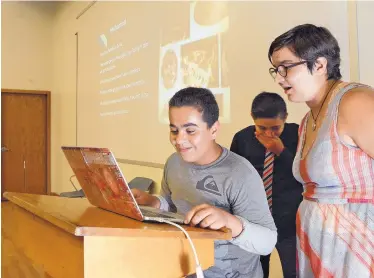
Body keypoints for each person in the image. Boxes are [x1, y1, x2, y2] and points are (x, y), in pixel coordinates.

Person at [132, 87, 277, 277]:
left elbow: (267, 242)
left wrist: (229, 222)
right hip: (186, 267)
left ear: (214, 129)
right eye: (174, 130)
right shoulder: (174, 162)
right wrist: (154, 202)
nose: (179, 140)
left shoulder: (240, 173)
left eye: (190, 131)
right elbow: (174, 204)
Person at [268, 23, 374, 278]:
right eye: (275, 70)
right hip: (319, 242)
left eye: (286, 67)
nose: (280, 77)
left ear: (319, 64)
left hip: (357, 244)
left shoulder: (354, 102)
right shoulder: (308, 119)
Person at [230, 92, 302, 278]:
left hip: (290, 219)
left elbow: (306, 175)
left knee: (293, 271)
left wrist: (281, 151)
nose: (269, 133)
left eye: (276, 128)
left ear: (285, 118)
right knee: (258, 270)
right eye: (262, 127)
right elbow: (235, 178)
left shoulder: (300, 134)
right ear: (252, 119)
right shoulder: (242, 138)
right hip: (255, 219)